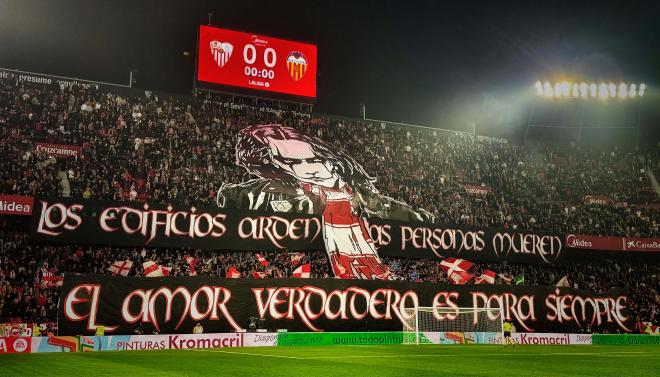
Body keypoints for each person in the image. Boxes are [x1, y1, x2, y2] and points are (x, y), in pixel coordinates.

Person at [217, 124, 433, 280]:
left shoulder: (370, 199)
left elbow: (418, 221)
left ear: (326, 155)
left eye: (313, 159)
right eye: (292, 162)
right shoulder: (255, 195)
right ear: (279, 167)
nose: (309, 167)